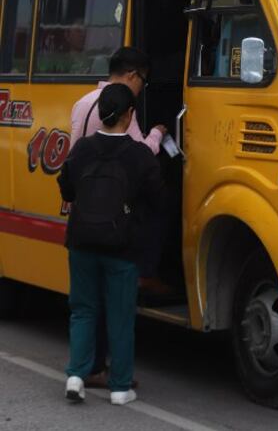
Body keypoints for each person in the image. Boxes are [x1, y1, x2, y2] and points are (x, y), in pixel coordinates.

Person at [60, 83, 166, 405]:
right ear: (129, 114)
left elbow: (66, 190)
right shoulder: (139, 155)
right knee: (119, 317)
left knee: (83, 310)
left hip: (81, 242)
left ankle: (76, 376)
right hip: (122, 247)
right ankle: (120, 387)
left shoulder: (82, 149)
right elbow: (157, 198)